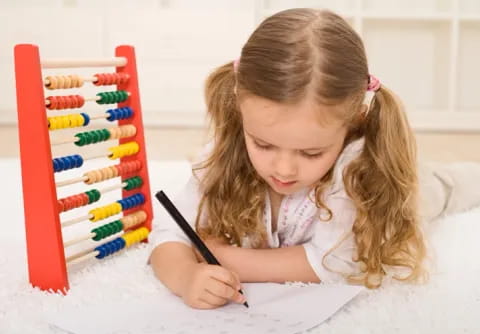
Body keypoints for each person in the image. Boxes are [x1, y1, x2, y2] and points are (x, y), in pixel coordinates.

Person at [149, 8, 480, 309]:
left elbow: (332, 262)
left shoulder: (357, 171)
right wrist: (185, 276)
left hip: (414, 190)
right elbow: (169, 231)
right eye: (263, 144)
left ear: (354, 124)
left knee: (443, 186)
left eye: (310, 153)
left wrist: (222, 257)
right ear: (241, 111)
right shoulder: (223, 153)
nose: (283, 168)